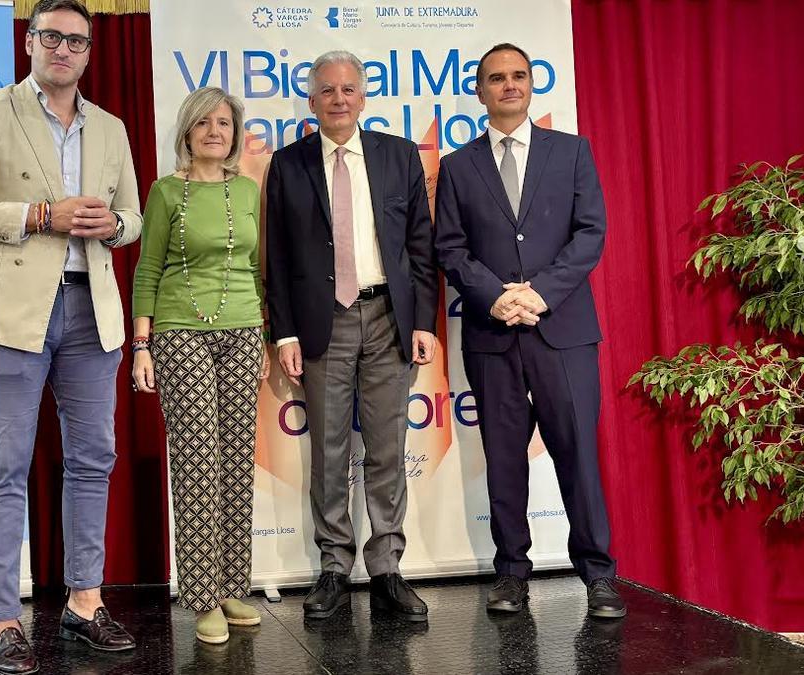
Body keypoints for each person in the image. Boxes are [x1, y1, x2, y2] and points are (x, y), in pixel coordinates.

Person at [0, 1, 142, 672]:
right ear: (30, 43)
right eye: (52, 36)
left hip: (91, 312)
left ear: (88, 53)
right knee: (5, 464)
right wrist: (40, 214)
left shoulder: (109, 127)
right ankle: (4, 619)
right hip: (10, 313)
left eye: (77, 41)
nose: (64, 49)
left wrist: (112, 226)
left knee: (92, 459)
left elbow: (133, 215)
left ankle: (84, 602)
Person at [433, 43, 625, 619]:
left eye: (518, 76)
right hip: (494, 336)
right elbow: (450, 247)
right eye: (497, 78)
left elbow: (591, 232)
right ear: (480, 89)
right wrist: (497, 297)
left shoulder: (571, 152)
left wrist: (540, 293)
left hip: (563, 331)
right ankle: (511, 573)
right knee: (504, 459)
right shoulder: (459, 166)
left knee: (578, 457)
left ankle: (598, 575)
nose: (509, 85)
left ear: (532, 84)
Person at [264, 50, 439, 622]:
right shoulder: (289, 165)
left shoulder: (398, 155)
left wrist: (422, 322)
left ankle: (387, 565)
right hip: (322, 324)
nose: (339, 99)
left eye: (349, 89)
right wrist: (283, 332)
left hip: (389, 314)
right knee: (330, 450)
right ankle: (334, 567)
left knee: (388, 448)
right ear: (312, 101)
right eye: (327, 91)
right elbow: (280, 256)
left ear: (363, 97)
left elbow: (421, 244)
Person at [131, 86, 268, 645]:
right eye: (204, 123)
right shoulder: (166, 192)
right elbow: (147, 268)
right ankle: (201, 594)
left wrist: (262, 334)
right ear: (187, 131)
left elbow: (260, 267)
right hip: (179, 332)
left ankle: (234, 584)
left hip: (243, 328)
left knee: (236, 459)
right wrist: (141, 344)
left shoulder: (248, 190)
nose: (216, 131)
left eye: (225, 123)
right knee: (196, 461)